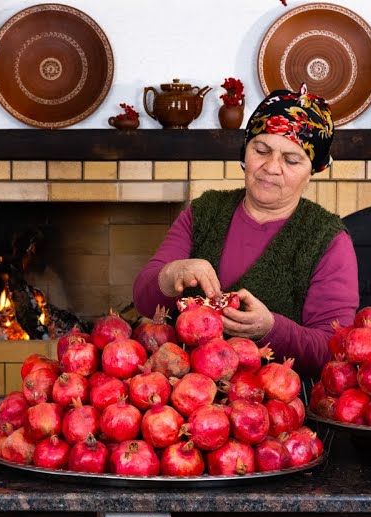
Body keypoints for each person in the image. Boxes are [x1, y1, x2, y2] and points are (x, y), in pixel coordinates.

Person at [133, 85, 359, 376]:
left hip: (270, 407)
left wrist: (271, 329)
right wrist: (170, 274)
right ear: (244, 151)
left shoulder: (328, 239)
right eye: (261, 150)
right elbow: (143, 298)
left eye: (292, 160)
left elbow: (334, 349)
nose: (271, 167)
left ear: (313, 170)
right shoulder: (204, 212)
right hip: (185, 398)